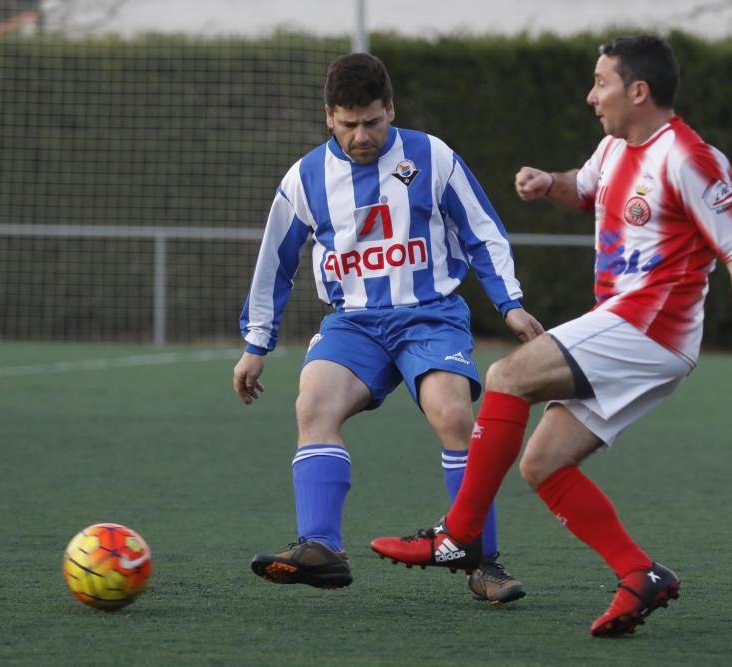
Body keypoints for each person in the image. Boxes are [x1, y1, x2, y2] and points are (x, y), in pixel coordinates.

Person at [370, 34, 732, 636]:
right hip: (632, 330)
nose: (590, 95)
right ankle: (640, 574)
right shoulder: (613, 148)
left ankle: (459, 536)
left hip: (649, 325)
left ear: (639, 90)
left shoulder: (688, 157)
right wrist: (545, 183)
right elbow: (583, 187)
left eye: (601, 82)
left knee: (506, 375)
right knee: (542, 465)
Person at [232, 52, 544, 605]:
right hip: (353, 323)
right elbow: (274, 263)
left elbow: (482, 232)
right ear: (329, 116)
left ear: (390, 109)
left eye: (373, 122)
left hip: (431, 315)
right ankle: (322, 548)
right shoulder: (305, 178)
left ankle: (483, 561)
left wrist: (510, 304)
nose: (361, 136)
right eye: (349, 124)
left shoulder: (431, 157)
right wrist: (257, 343)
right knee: (313, 407)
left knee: (454, 415)